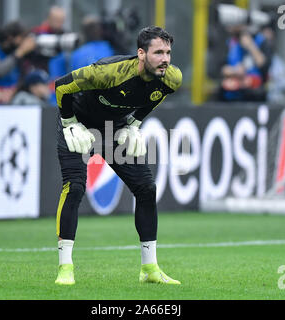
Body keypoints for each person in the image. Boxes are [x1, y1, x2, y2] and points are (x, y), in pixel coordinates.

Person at [53, 26, 182, 285]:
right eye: (158, 52)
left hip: (114, 129)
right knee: (75, 187)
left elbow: (154, 98)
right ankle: (65, 268)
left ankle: (150, 269)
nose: (165, 59)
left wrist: (134, 124)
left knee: (146, 188)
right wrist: (69, 122)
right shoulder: (108, 72)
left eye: (168, 52)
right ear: (141, 54)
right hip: (79, 123)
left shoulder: (171, 78)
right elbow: (61, 85)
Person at [219, 21, 273, 101]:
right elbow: (221, 68)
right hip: (232, 94)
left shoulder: (261, 41)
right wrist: (234, 71)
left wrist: (251, 46)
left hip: (255, 94)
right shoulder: (230, 42)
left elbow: (264, 65)